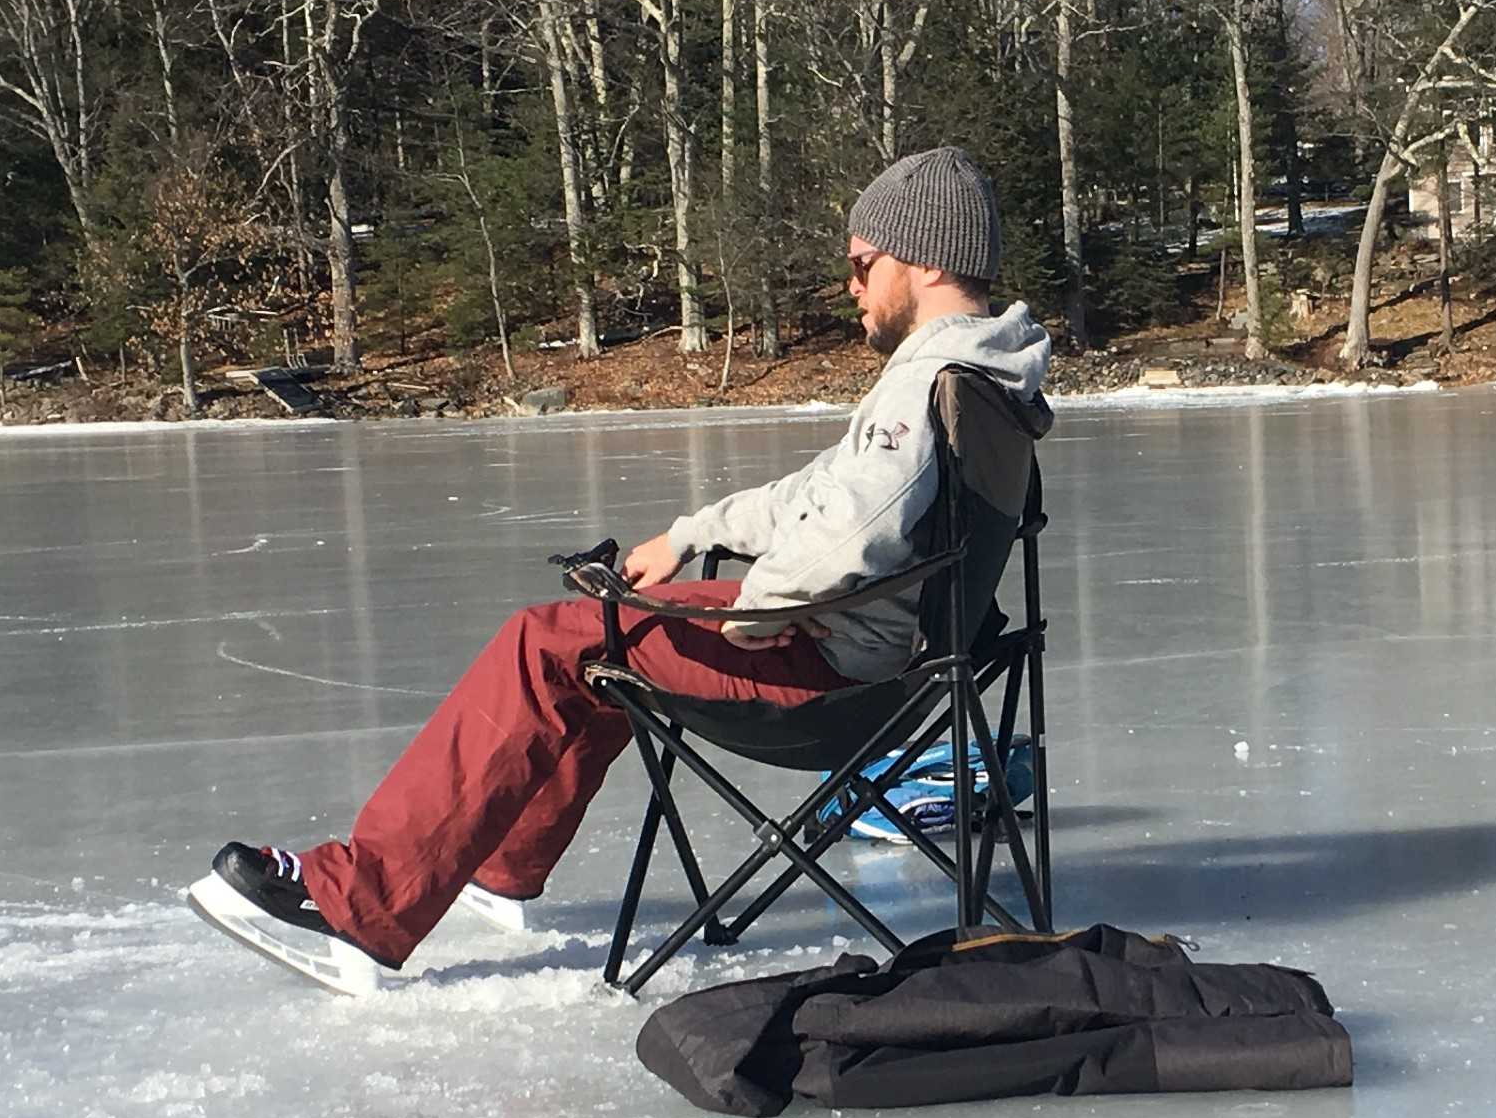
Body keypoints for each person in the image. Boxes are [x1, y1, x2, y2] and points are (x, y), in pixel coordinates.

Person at [191, 146, 1053, 991]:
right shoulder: (981, 378)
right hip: (898, 660)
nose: (853, 286)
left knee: (545, 644)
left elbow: (841, 533)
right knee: (602, 634)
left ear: (925, 261)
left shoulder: (925, 381)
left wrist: (753, 615)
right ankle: (497, 869)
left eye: (864, 264)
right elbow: (821, 494)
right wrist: (689, 535)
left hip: (830, 676)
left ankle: (362, 900)